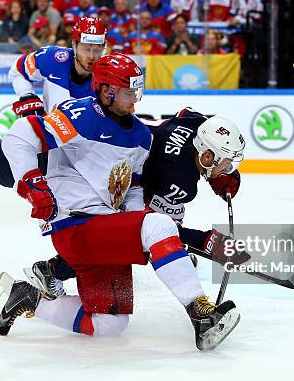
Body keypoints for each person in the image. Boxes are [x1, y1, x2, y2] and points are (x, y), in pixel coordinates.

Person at [0, 53, 240, 349]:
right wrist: (31, 182)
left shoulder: (141, 137)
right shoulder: (82, 115)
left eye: (137, 90)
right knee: (158, 226)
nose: (135, 99)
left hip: (104, 228)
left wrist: (138, 228)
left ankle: (25, 297)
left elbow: (131, 189)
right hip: (75, 226)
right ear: (106, 91)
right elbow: (20, 135)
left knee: (110, 324)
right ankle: (201, 313)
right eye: (128, 92)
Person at [26, 107, 250, 300]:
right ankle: (53, 270)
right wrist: (206, 241)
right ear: (207, 157)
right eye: (227, 163)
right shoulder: (179, 181)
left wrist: (218, 173)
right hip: (97, 180)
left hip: (106, 159)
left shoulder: (197, 124)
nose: (228, 168)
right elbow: (154, 229)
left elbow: (185, 113)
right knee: (115, 240)